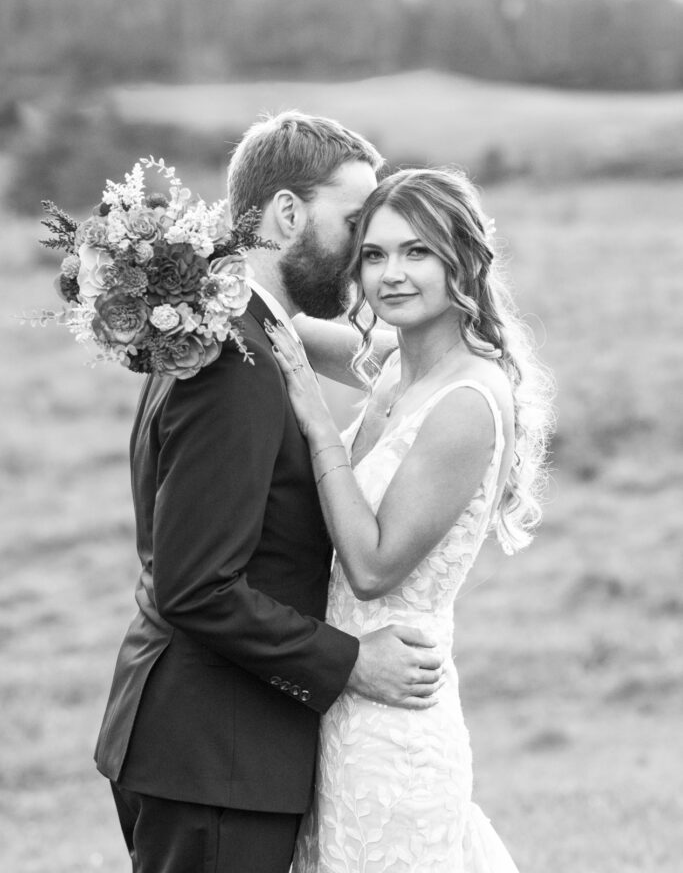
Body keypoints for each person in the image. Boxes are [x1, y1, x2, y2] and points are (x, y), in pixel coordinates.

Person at [94, 114, 446, 873]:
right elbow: (197, 588)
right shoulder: (234, 359)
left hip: (213, 750)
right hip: (215, 754)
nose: (362, 253)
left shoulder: (235, 330)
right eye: (353, 224)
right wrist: (348, 661)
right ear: (287, 214)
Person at [266, 166, 554, 872]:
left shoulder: (466, 401)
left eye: (417, 251)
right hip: (340, 699)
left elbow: (371, 566)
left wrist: (316, 421)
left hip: (394, 723)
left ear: (462, 260)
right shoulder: (399, 366)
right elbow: (274, 323)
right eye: (373, 253)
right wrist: (177, 273)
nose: (391, 274)